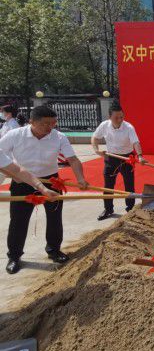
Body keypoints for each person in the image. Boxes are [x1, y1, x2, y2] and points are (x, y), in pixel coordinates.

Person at [0, 106, 89, 274]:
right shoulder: (15, 135)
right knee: (18, 220)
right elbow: (3, 159)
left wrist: (81, 179)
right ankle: (14, 256)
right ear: (31, 122)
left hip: (50, 180)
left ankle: (54, 250)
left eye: (53, 123)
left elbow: (73, 159)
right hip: (22, 183)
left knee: (55, 217)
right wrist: (10, 174)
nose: (50, 127)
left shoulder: (59, 137)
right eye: (45, 124)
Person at [92, 103, 146, 221]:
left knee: (129, 185)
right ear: (110, 117)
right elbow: (95, 137)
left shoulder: (129, 127)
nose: (120, 119)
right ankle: (108, 209)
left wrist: (140, 156)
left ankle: (130, 209)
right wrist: (96, 150)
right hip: (111, 158)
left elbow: (135, 142)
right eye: (116, 117)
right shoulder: (104, 125)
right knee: (108, 185)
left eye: (121, 117)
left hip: (127, 158)